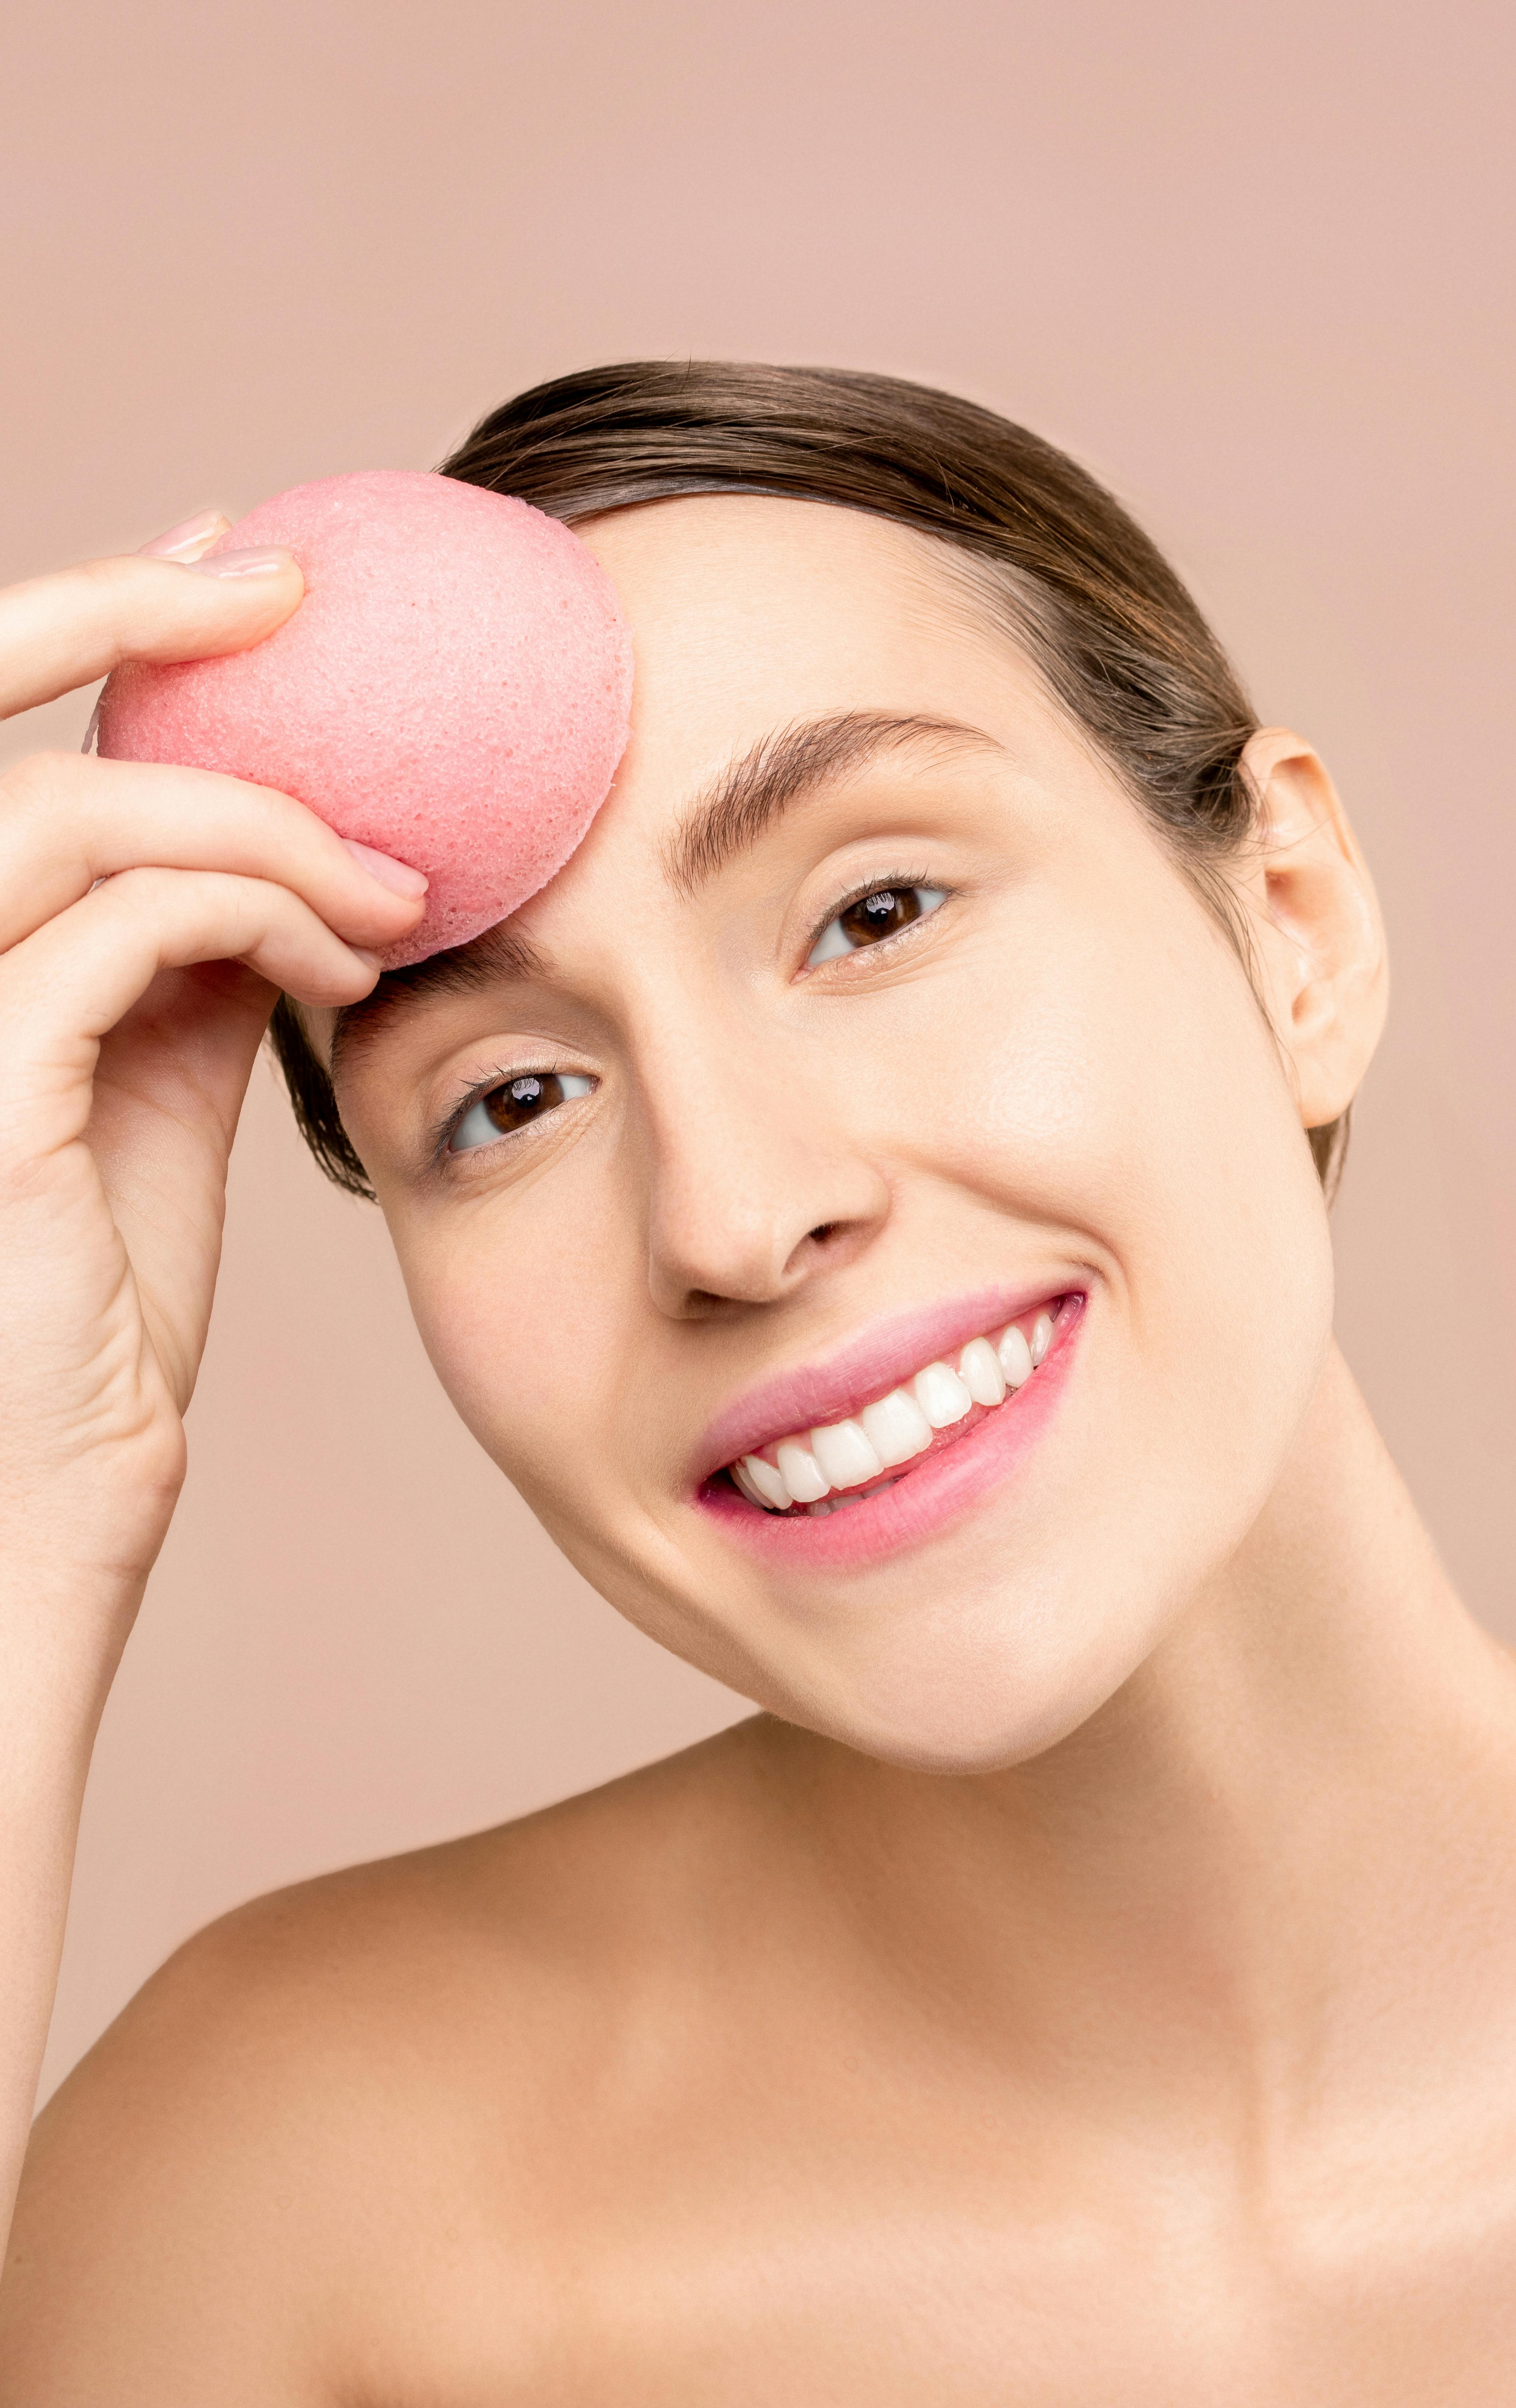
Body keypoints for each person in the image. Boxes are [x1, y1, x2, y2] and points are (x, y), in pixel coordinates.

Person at [1, 361, 1513, 2401]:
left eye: (874, 911)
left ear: (1292, 928)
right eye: (511, 1097)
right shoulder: (290, 2200)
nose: (732, 1210)